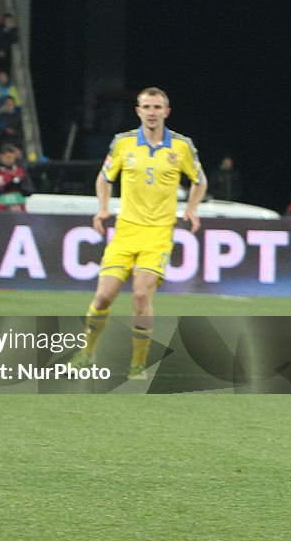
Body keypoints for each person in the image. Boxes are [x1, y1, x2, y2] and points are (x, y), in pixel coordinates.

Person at [70, 87, 206, 380]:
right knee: (104, 296)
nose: (152, 112)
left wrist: (191, 209)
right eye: (147, 106)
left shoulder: (181, 146)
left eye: (158, 107)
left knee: (142, 295)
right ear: (138, 111)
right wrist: (103, 208)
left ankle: (138, 364)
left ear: (166, 112)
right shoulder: (123, 143)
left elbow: (199, 180)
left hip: (157, 235)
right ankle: (87, 353)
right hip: (125, 232)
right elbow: (105, 177)